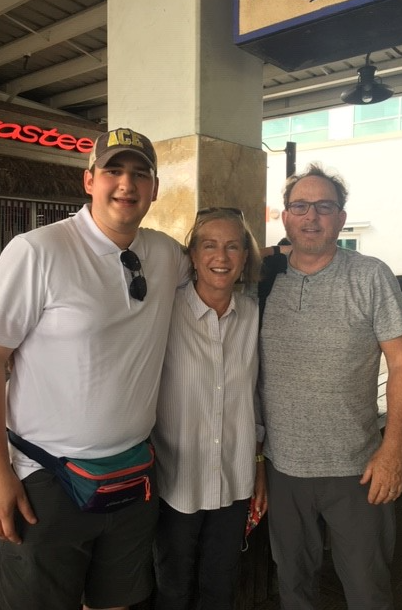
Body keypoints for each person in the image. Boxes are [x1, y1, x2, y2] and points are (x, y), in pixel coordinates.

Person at [0, 127, 190, 610]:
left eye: (140, 174)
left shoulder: (166, 254)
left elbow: (218, 266)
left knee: (116, 603)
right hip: (46, 478)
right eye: (113, 170)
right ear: (89, 180)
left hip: (134, 471)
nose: (126, 184)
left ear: (154, 189)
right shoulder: (38, 250)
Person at [259, 163, 402, 609]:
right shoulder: (264, 278)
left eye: (324, 207)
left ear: (342, 218)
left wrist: (393, 451)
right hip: (283, 467)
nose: (311, 216)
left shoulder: (370, 275)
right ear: (285, 217)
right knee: (293, 586)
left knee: (368, 589)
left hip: (358, 468)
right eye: (300, 206)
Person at [152, 207, 267, 610]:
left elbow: (254, 396)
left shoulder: (252, 314)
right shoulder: (165, 310)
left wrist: (258, 465)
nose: (221, 256)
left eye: (233, 246)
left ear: (245, 257)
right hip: (175, 479)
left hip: (234, 478)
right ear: (193, 255)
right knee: (173, 589)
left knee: (221, 587)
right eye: (210, 245)